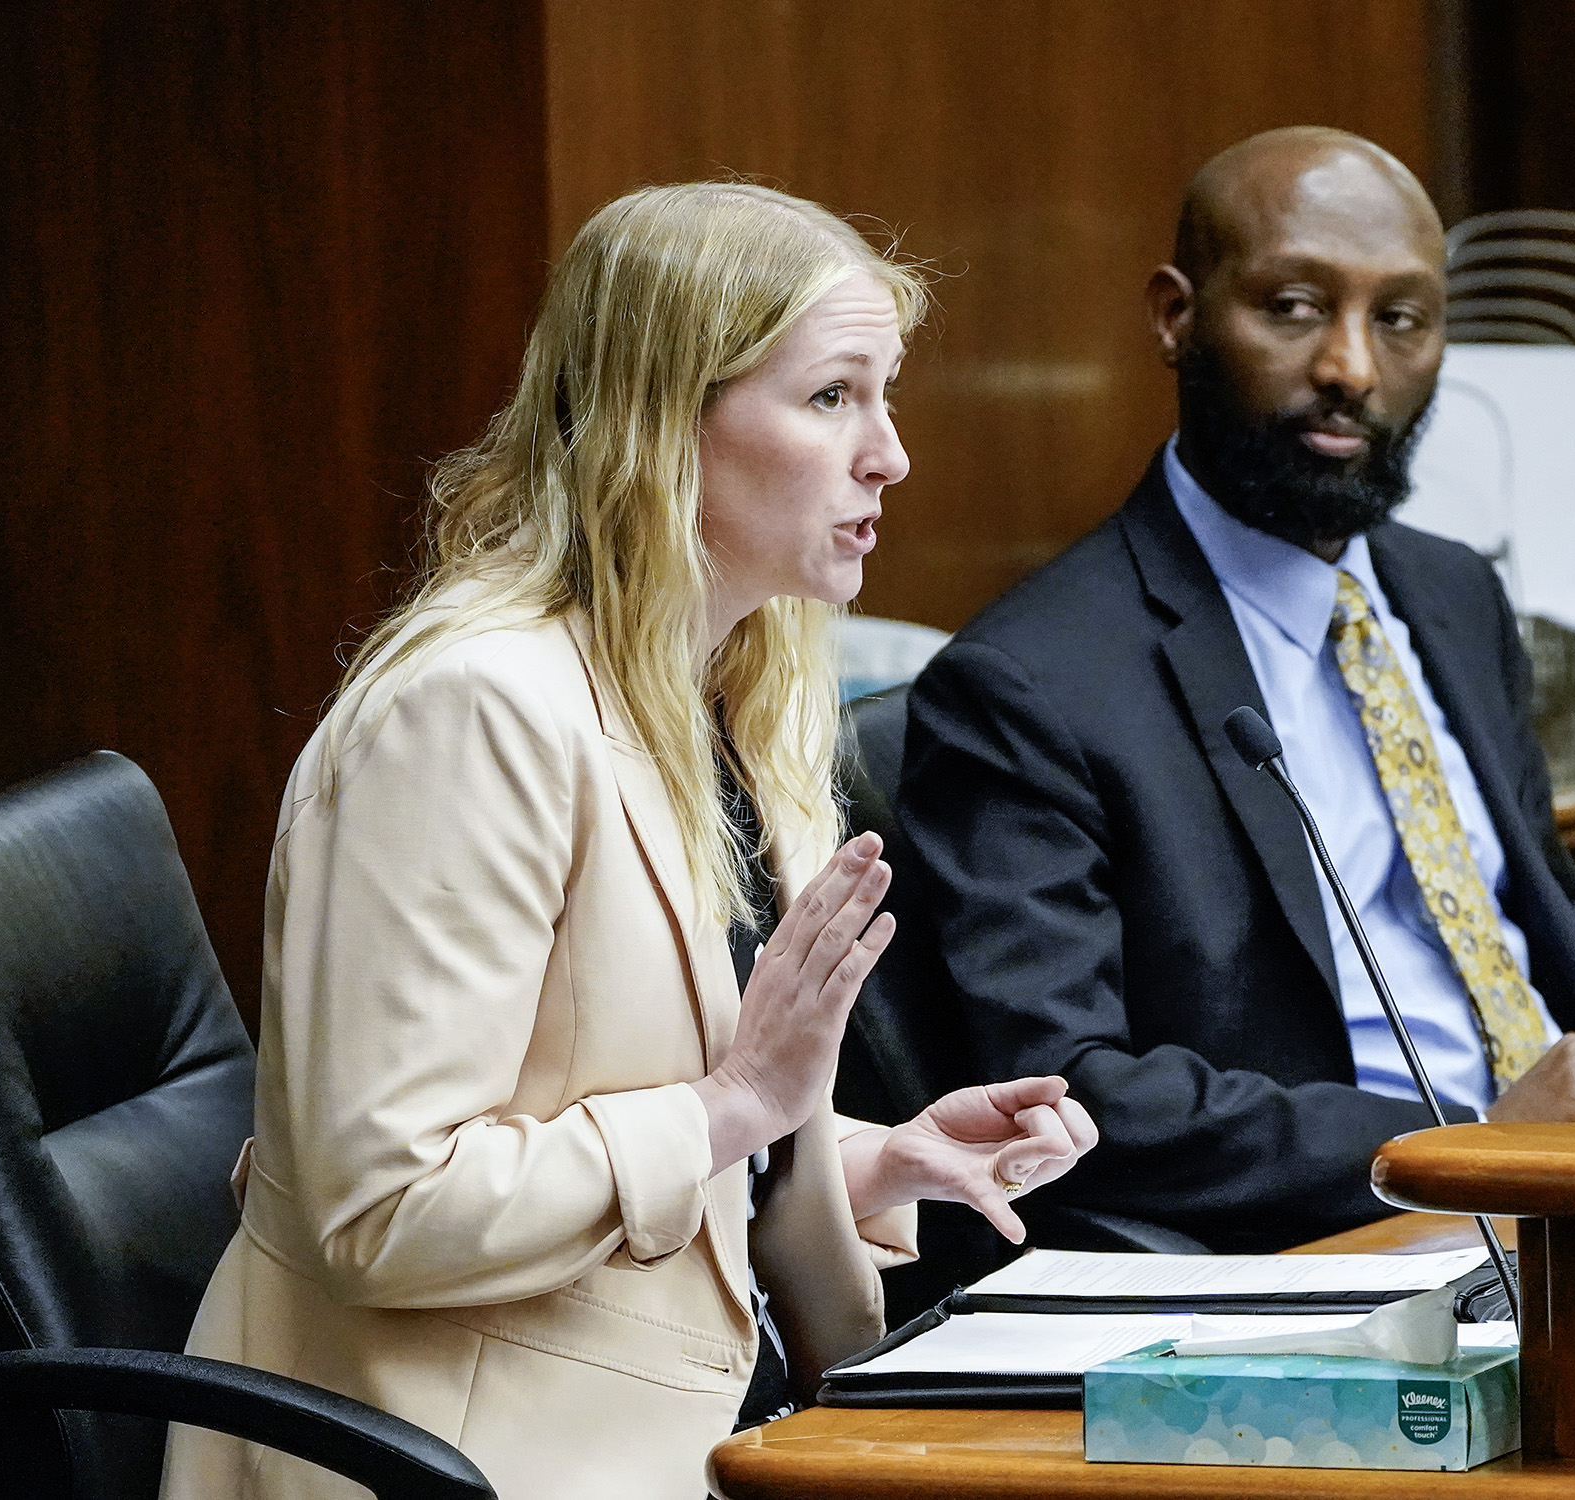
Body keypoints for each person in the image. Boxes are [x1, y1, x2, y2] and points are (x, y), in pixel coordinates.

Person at [161, 182, 1095, 1500]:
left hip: (707, 1423)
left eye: (884, 397)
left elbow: (623, 1113)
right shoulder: (471, 715)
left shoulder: (736, 688)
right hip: (471, 1454)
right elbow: (391, 1211)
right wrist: (738, 1107)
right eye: (833, 397)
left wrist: (877, 1156)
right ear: (665, 422)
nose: (889, 454)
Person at [895, 127, 1575, 1257]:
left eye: (1401, 319)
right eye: (1292, 308)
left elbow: (1542, 910)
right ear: (1176, 316)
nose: (1352, 368)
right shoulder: (1026, 687)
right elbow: (1070, 1091)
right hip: (1346, 1244)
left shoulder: (1452, 591)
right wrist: (1465, 1141)